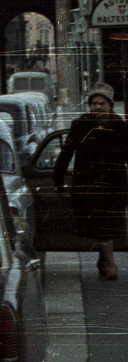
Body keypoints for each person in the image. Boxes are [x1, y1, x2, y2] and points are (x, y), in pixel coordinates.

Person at [55, 85, 128, 280]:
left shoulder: (120, 126)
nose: (98, 106)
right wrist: (58, 178)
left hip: (114, 185)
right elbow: (66, 152)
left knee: (106, 224)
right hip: (87, 184)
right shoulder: (80, 124)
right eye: (94, 103)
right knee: (98, 224)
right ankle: (105, 260)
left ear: (110, 105)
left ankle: (108, 262)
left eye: (102, 103)